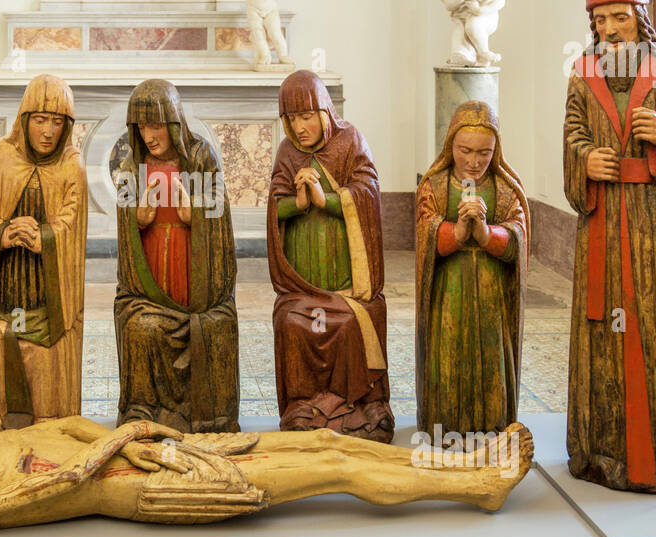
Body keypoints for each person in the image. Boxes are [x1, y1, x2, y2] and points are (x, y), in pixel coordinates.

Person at [0, 416, 535, 529]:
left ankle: (466, 457)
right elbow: (65, 482)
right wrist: (128, 446)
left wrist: (136, 433)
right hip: (150, 487)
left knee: (325, 435)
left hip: (152, 451)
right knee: (332, 469)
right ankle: (480, 487)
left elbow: (75, 429)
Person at [564, 0, 656, 494]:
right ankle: (603, 453)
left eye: (620, 16)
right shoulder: (582, 71)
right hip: (601, 222)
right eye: (600, 20)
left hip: (651, 224)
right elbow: (572, 135)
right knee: (603, 337)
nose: (610, 29)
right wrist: (585, 161)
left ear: (639, 17)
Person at [267, 70, 393, 442]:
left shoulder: (350, 141)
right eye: (291, 119)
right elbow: (275, 207)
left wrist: (329, 200)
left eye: (306, 116)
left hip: (347, 281)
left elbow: (369, 192)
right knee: (293, 321)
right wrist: (299, 203)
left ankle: (361, 405)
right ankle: (303, 406)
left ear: (325, 112)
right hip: (302, 285)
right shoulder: (287, 153)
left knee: (353, 321)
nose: (299, 126)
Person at [114, 79, 239, 433]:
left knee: (214, 325)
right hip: (148, 291)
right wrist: (137, 217)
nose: (148, 136)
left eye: (155, 126)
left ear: (173, 123)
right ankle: (144, 411)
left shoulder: (201, 158)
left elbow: (219, 206)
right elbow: (125, 223)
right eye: (140, 127)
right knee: (140, 328)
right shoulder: (130, 166)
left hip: (196, 291)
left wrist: (193, 214)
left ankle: (204, 417)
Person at [0, 74, 87, 436]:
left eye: (57, 122)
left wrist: (44, 238)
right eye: (40, 120)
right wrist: (2, 232)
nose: (48, 131)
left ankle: (50, 415)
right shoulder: (0, 158)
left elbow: (71, 220)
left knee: (43, 346)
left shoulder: (71, 165)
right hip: (3, 293)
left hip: (46, 301)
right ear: (24, 120)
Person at [415, 101, 529, 439]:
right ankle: (446, 425)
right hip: (448, 291)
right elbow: (425, 235)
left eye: (485, 152)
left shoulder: (506, 188)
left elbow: (518, 238)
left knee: (491, 357)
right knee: (449, 356)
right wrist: (457, 232)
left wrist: (484, 233)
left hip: (492, 293)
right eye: (465, 150)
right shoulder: (434, 186)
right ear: (451, 145)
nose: (474, 161)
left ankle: (492, 426)